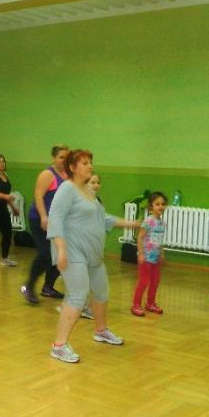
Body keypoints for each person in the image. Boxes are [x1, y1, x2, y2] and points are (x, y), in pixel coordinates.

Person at [48, 149, 139, 364]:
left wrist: (134, 223)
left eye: (90, 162)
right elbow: (55, 217)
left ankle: (101, 330)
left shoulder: (88, 192)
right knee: (77, 296)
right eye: (85, 163)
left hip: (93, 254)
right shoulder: (67, 189)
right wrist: (61, 250)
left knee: (101, 291)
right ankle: (59, 346)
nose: (90, 166)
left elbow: (103, 219)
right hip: (72, 252)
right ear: (73, 168)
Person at [21, 144, 69, 304]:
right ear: (54, 158)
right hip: (39, 219)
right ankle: (29, 286)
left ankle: (48, 287)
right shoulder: (48, 174)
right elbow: (38, 196)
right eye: (61, 157)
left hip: (58, 222)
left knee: (60, 254)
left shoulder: (69, 175)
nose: (64, 160)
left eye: (67, 157)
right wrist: (43, 217)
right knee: (46, 254)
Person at [131, 191, 167, 317]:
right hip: (146, 257)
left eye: (162, 204)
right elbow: (140, 237)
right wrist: (141, 254)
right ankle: (136, 305)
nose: (160, 206)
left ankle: (150, 304)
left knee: (155, 281)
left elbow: (159, 240)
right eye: (157, 204)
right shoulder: (148, 221)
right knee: (144, 281)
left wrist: (161, 252)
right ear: (151, 206)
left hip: (155, 258)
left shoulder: (162, 223)